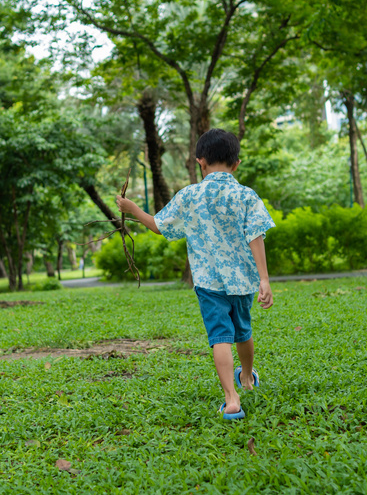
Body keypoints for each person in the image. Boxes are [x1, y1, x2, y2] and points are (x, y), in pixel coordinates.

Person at [116, 128, 275, 420]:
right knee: (244, 331)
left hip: (208, 282)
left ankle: (231, 399)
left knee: (220, 337)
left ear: (200, 162)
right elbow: (256, 236)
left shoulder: (190, 196)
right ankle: (249, 378)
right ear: (236, 163)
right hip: (242, 282)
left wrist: (131, 207)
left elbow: (158, 225)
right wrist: (264, 279)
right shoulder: (246, 196)